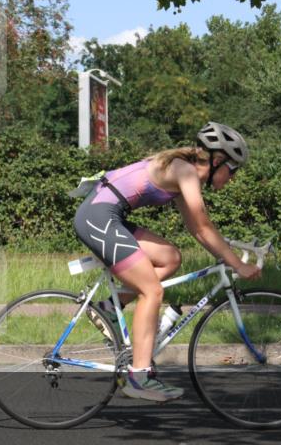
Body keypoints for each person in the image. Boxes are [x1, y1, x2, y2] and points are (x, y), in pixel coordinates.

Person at [73, 122, 261, 402]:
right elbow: (205, 226)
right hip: (98, 218)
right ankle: (139, 376)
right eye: (232, 170)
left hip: (106, 216)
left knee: (170, 257)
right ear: (217, 160)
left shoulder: (184, 173)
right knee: (152, 291)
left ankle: (110, 307)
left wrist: (226, 252)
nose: (232, 178)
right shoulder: (185, 171)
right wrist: (238, 264)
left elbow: (198, 229)